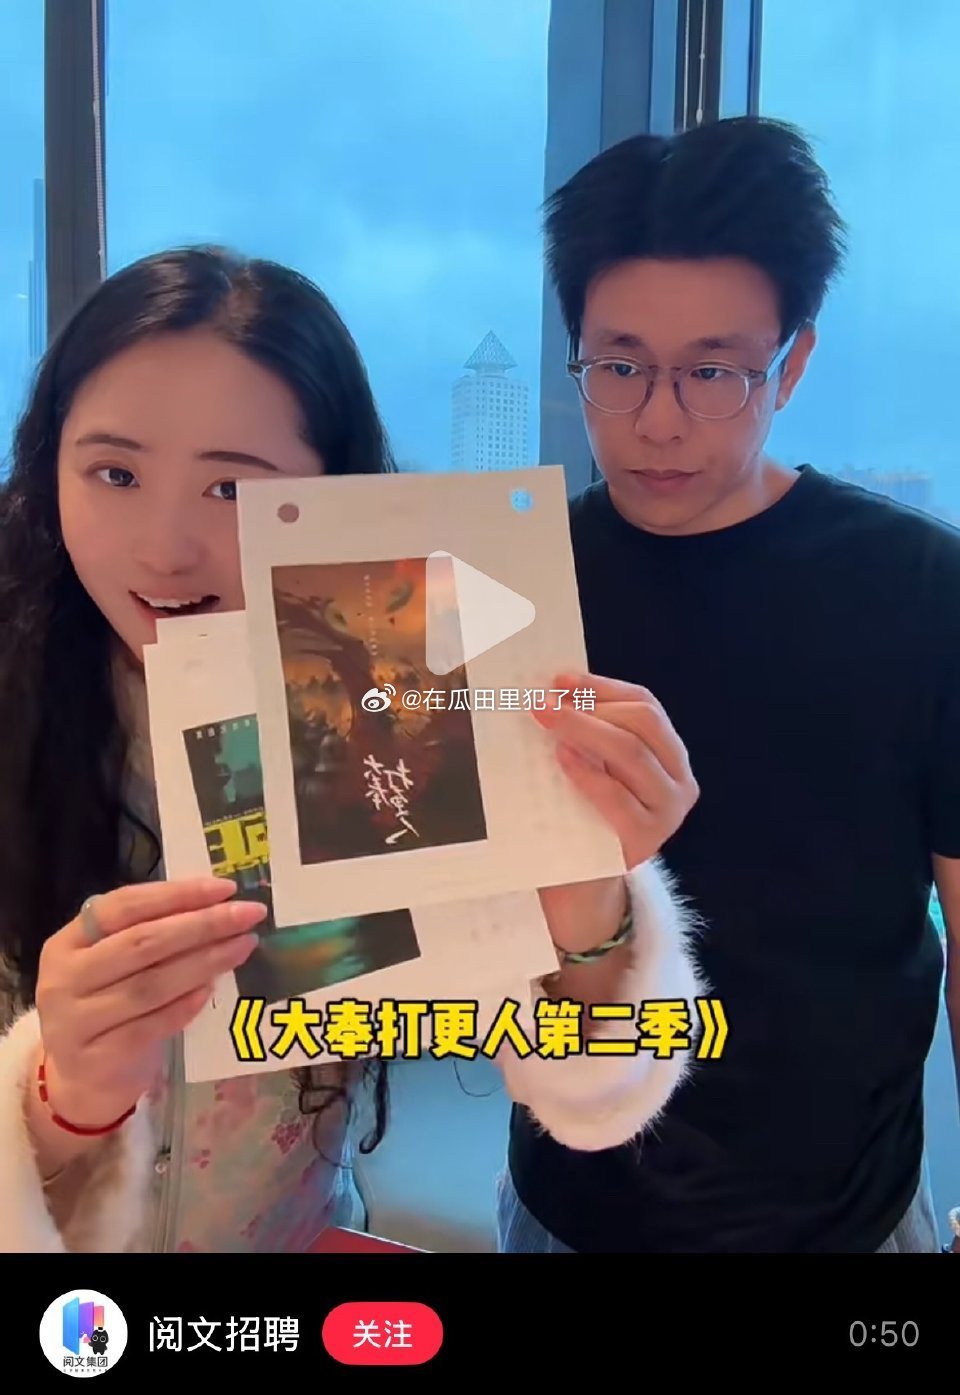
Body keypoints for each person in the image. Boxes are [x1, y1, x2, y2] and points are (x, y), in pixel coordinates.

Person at [0, 246, 704, 1253]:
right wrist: (59, 1098)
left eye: (231, 490)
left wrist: (589, 896)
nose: (162, 548)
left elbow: (595, 1099)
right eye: (114, 473)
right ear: (49, 467)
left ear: (329, 499)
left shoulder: (404, 703)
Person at [498, 115, 960, 1254]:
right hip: (570, 1203)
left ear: (791, 365)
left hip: (848, 1215)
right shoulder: (513, 590)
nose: (659, 421)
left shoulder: (922, 589)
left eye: (713, 371)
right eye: (619, 367)